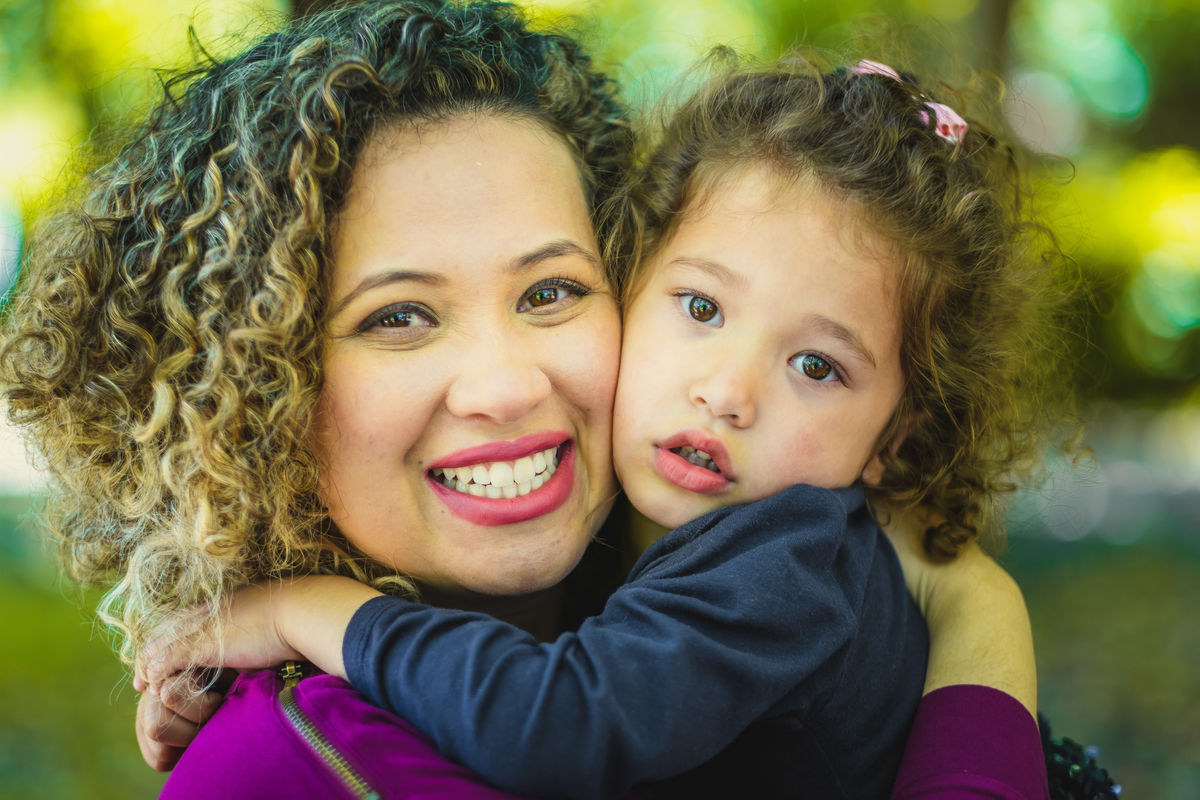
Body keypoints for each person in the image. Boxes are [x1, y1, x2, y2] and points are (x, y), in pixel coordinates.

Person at [0, 2, 1054, 798]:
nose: (728, 389)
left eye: (551, 291)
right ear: (261, 379)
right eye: (399, 314)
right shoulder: (303, 759)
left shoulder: (722, 557)